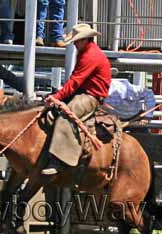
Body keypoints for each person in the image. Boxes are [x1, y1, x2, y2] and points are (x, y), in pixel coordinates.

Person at [42, 23, 111, 175]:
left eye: (77, 40)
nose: (74, 43)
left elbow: (75, 81)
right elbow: (75, 81)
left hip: (91, 96)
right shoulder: (87, 52)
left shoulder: (90, 55)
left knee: (65, 117)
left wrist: (56, 96)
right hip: (84, 92)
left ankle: (59, 160)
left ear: (85, 40)